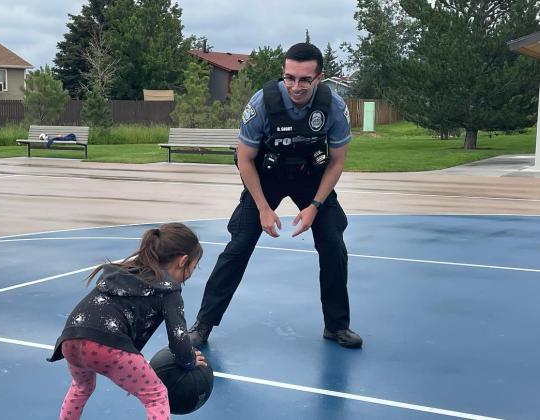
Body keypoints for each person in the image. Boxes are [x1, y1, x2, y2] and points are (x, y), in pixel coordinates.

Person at [188, 42, 362, 349]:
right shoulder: (262, 103)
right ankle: (202, 326)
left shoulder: (333, 106)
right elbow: (244, 159)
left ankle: (336, 326)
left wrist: (315, 206)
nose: (295, 86)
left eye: (304, 79)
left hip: (310, 176)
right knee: (238, 245)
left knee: (334, 242)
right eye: (289, 77)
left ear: (319, 77)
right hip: (266, 176)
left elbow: (337, 162)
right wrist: (263, 208)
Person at [48, 223, 207, 420]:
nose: (189, 275)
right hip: (107, 345)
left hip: (70, 338)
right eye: (193, 267)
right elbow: (178, 339)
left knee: (81, 387)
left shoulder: (123, 271)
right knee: (156, 395)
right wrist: (190, 360)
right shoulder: (169, 289)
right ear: (183, 261)